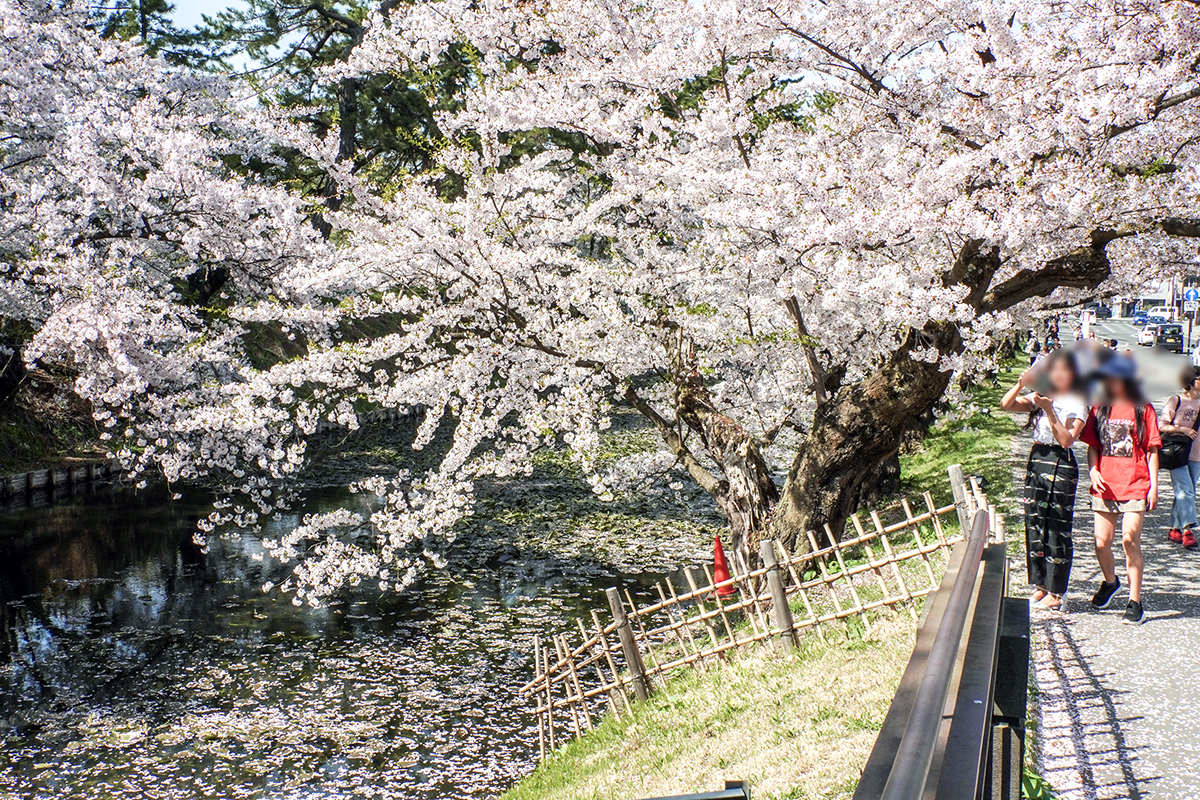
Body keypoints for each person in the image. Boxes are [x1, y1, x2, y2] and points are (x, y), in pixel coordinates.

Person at [1002, 351, 1088, 609]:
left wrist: (1050, 410)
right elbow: (1006, 404)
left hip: (1060, 461)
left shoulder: (1076, 401)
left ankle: (1056, 591)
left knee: (1056, 528)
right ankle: (1040, 584)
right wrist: (1021, 383)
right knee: (1035, 523)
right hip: (1038, 457)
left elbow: (1066, 439)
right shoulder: (1041, 396)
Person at [1079, 356, 1160, 625]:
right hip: (1106, 485)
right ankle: (1111, 582)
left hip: (1136, 484)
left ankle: (1135, 602)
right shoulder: (1099, 408)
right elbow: (1093, 447)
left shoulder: (1143, 408)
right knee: (1101, 543)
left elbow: (1151, 450)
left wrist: (1154, 486)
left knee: (1129, 539)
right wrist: (1093, 471)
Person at [1160, 365, 1200, 550]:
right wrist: (1182, 429)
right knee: (1186, 491)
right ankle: (1187, 530)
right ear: (1191, 382)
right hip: (1177, 453)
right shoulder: (1176, 401)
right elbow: (1162, 426)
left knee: (1184, 492)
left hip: (1196, 454)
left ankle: (1174, 528)